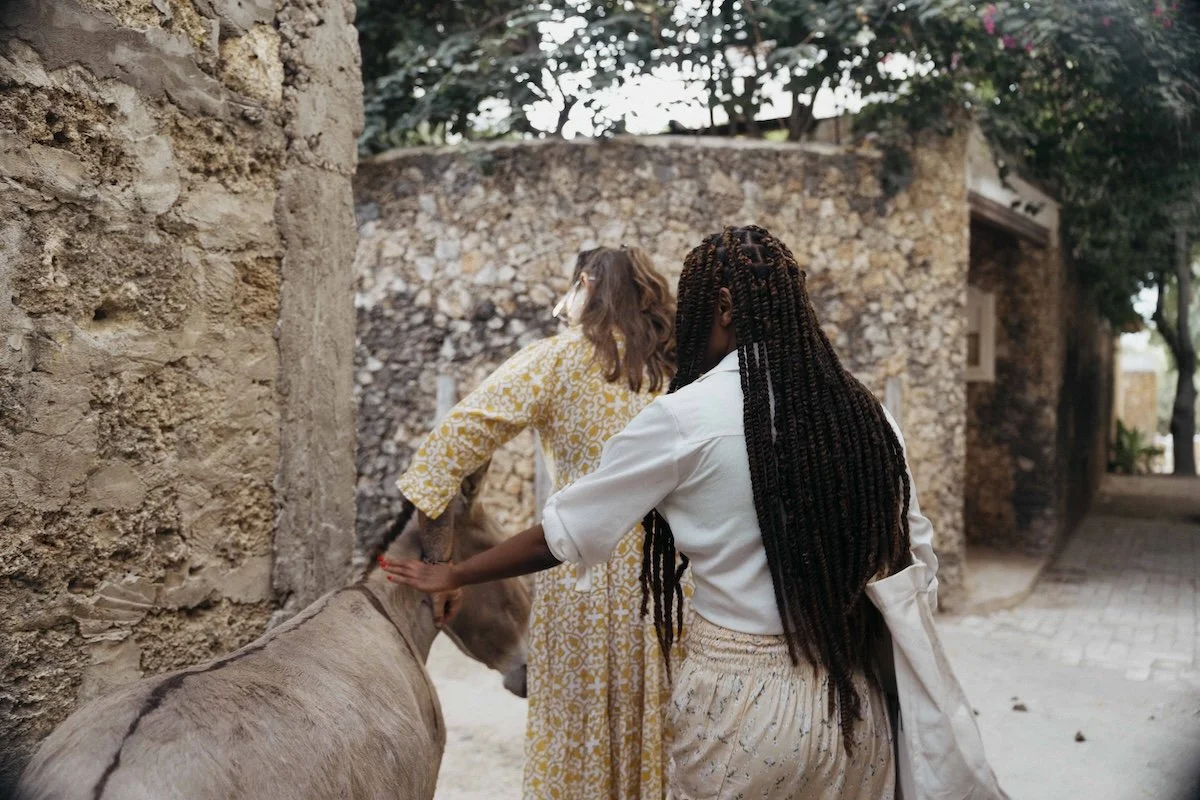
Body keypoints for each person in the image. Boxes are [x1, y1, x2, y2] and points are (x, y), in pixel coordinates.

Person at [386, 225, 940, 799]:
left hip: (631, 617)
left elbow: (485, 470)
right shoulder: (850, 409)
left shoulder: (628, 389)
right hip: (786, 654)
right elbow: (915, 559)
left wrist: (446, 562)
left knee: (588, 751)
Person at [395, 246, 678, 800]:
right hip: (674, 589)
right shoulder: (678, 371)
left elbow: (438, 460)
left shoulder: (554, 361)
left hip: (581, 581)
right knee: (665, 742)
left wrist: (440, 562)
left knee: (580, 744)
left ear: (587, 285)